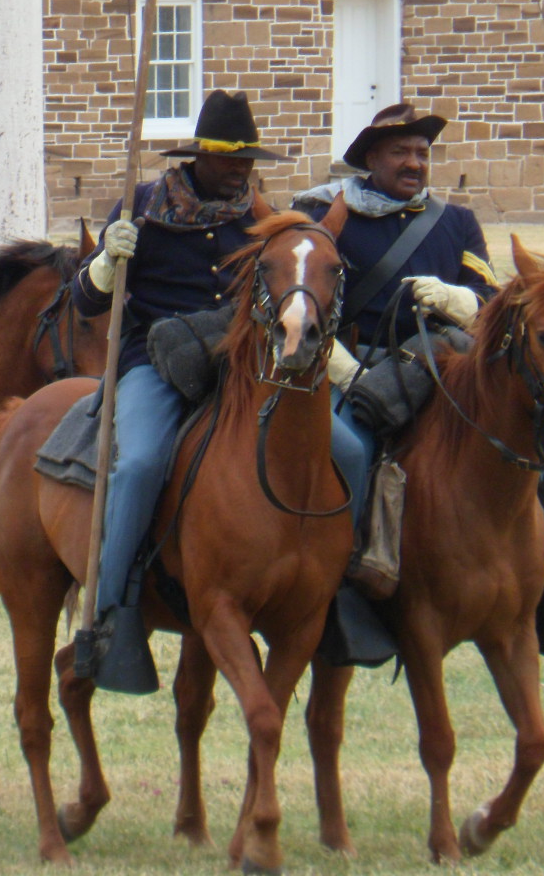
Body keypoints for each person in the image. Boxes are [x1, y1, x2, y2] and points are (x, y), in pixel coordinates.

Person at [72, 91, 291, 692]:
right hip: (156, 364)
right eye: (229, 158)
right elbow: (85, 302)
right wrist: (104, 264)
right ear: (199, 157)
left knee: (334, 448)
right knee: (140, 464)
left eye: (247, 158)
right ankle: (110, 613)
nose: (240, 169)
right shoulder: (142, 208)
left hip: (244, 369)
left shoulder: (264, 219)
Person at [292, 103, 494, 528]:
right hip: (350, 369)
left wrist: (453, 299)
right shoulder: (324, 214)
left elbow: (488, 301)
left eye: (422, 153)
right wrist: (339, 366)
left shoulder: (457, 222)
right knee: (353, 453)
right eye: (400, 152)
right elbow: (299, 300)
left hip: (437, 370)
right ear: (372, 160)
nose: (414, 163)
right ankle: (347, 555)